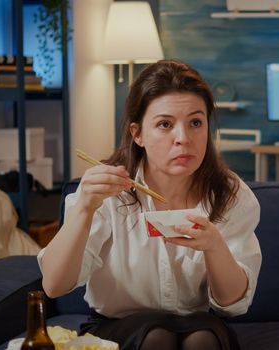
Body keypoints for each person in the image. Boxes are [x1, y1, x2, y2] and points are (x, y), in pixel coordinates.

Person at [38, 60, 261, 350]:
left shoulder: (230, 193)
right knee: (156, 336)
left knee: (202, 339)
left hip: (198, 324)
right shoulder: (107, 189)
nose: (183, 139)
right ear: (137, 133)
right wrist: (83, 208)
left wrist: (214, 246)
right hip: (118, 326)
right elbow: (54, 285)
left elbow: (234, 305)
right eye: (165, 125)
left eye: (196, 122)